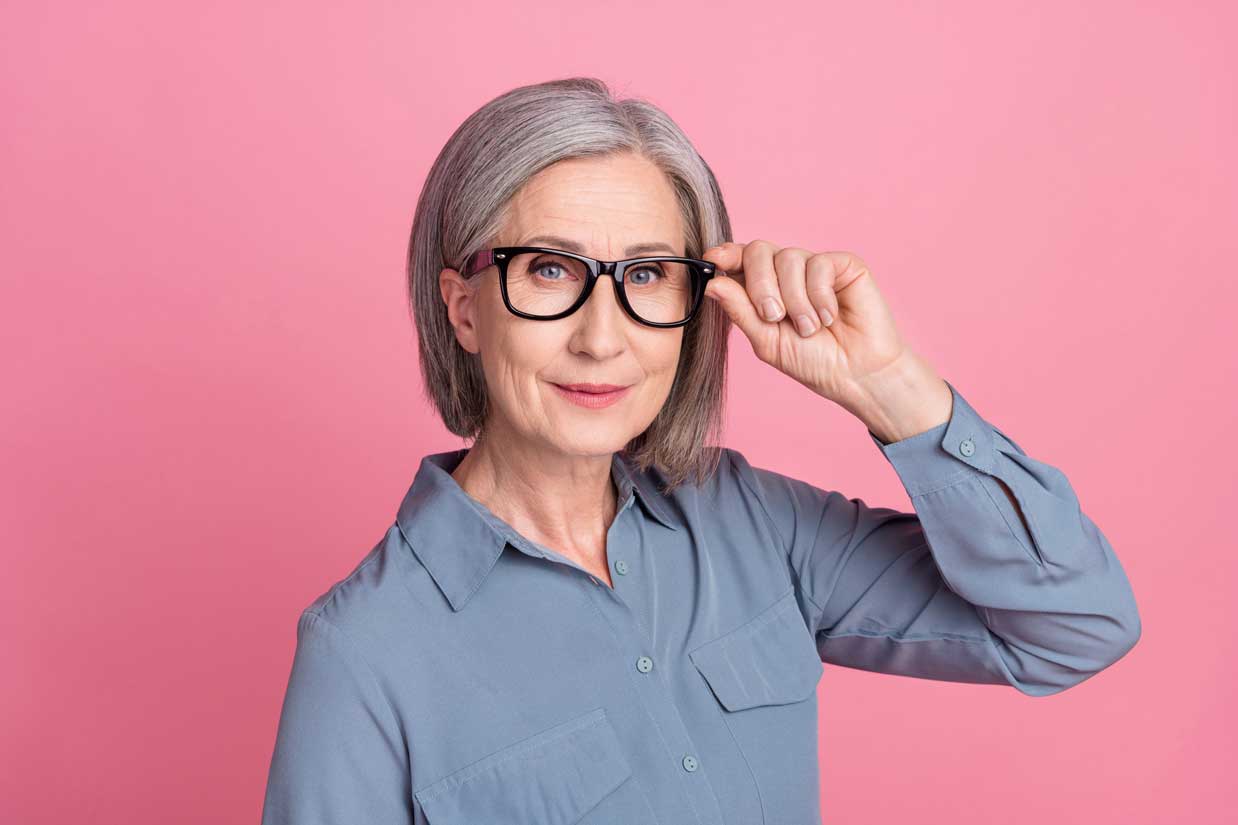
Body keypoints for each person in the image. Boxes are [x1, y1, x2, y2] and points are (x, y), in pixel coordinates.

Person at [260, 77, 1140, 825]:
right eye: (550, 271)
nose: (603, 340)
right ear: (462, 308)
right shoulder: (365, 654)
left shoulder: (751, 521)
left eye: (646, 275)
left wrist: (887, 386)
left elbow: (1072, 626)